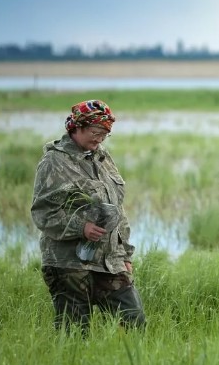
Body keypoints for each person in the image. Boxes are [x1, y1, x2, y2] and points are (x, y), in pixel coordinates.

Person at [31, 99, 145, 332]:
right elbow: (43, 213)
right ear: (77, 127)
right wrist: (81, 227)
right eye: (96, 132)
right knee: (74, 331)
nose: (100, 139)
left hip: (109, 261)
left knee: (134, 321)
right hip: (68, 262)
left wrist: (125, 255)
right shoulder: (55, 161)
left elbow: (117, 209)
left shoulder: (103, 157)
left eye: (105, 134)